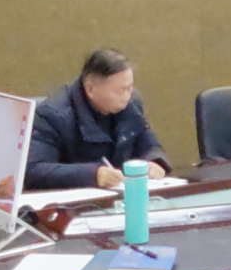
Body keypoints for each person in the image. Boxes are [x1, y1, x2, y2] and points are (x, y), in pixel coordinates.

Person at [24, 48, 169, 190]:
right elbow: (33, 170)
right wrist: (92, 174)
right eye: (120, 90)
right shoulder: (52, 115)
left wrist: (154, 162)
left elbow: (149, 145)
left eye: (130, 88)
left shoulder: (131, 104)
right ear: (91, 89)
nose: (127, 96)